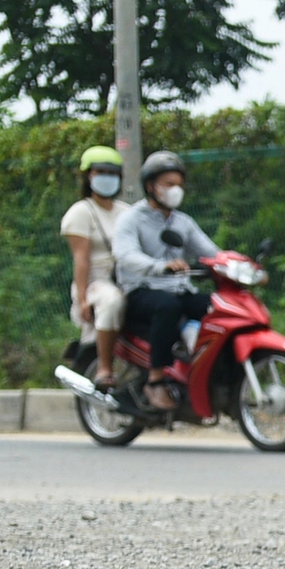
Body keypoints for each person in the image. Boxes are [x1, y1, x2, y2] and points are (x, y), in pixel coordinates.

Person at [112, 151, 219, 410]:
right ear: (151, 186)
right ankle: (156, 380)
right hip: (142, 291)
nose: (175, 190)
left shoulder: (183, 222)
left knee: (217, 306)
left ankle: (206, 372)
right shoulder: (131, 218)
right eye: (169, 184)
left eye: (179, 185)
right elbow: (125, 255)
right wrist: (160, 266)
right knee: (167, 306)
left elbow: (211, 252)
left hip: (179, 289)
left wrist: (239, 266)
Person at [59, 145, 132, 387]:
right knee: (112, 301)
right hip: (96, 282)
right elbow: (82, 259)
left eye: (112, 173)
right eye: (100, 172)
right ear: (88, 176)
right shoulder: (81, 212)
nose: (107, 178)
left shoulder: (126, 212)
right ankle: (104, 366)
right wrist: (82, 300)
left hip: (127, 278)